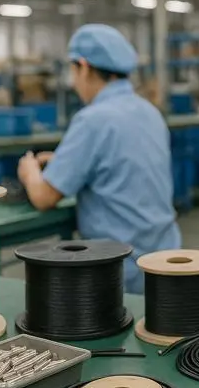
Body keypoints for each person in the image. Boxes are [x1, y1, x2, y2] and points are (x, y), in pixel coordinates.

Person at [18, 24, 181, 295]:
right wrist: (65, 161)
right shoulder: (149, 112)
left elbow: (44, 197)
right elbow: (122, 163)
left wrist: (30, 172)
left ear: (83, 66)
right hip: (165, 259)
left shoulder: (93, 119)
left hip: (121, 269)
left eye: (73, 71)